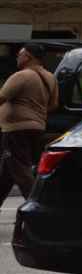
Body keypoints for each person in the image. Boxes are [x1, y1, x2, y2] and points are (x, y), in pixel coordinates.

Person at [0, 43, 59, 202]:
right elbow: (53, 104)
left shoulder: (22, 75)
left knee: (21, 170)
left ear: (28, 57)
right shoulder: (50, 77)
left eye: (20, 54)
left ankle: (36, 206)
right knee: (6, 174)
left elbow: (2, 98)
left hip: (15, 129)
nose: (17, 58)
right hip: (37, 127)